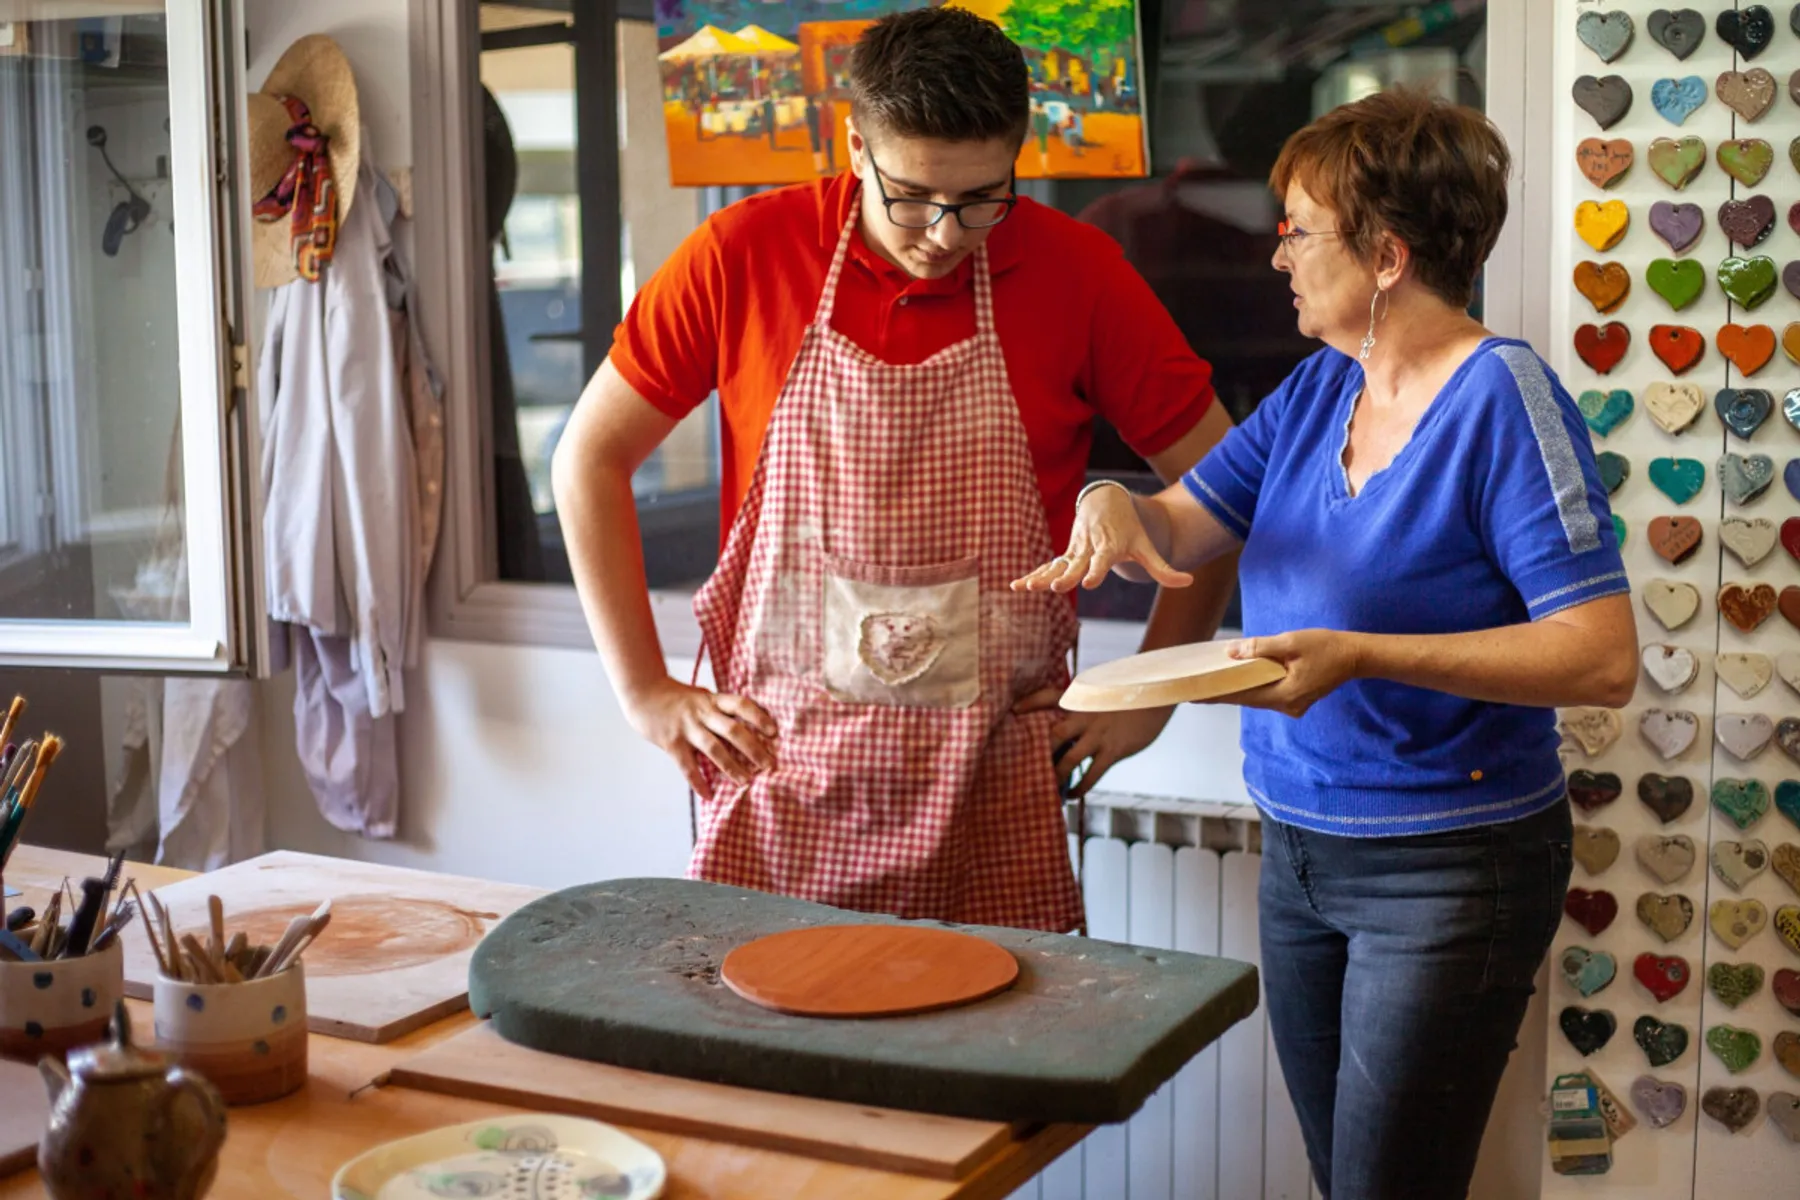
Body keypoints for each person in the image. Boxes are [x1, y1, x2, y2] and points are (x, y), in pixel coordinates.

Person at [1014, 88, 1636, 1196]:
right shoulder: (1317, 392)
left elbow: (1599, 655)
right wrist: (1118, 504)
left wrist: (1364, 654)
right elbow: (1182, 522)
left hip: (1451, 865)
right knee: (1342, 1175)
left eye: (1299, 231)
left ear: (1387, 255)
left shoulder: (1504, 398)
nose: (1277, 257)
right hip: (1298, 852)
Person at [551, 7, 1238, 933]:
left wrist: (1150, 701)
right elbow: (588, 459)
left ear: (1019, 156)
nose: (944, 233)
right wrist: (644, 691)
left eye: (981, 199)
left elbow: (1225, 491)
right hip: (783, 780)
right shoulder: (742, 256)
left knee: (990, 1060)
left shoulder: (1081, 275)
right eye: (910, 196)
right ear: (854, 145)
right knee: (772, 1056)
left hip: (992, 788)